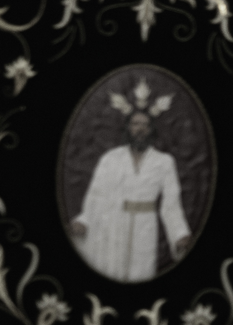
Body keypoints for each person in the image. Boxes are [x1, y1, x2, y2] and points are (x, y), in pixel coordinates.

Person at [72, 110, 191, 283]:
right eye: (135, 124)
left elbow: (171, 204)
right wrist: (85, 220)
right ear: (128, 128)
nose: (140, 129)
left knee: (141, 275)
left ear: (151, 130)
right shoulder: (110, 158)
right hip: (112, 225)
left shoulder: (164, 162)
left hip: (145, 226)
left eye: (145, 125)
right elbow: (95, 195)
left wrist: (180, 234)